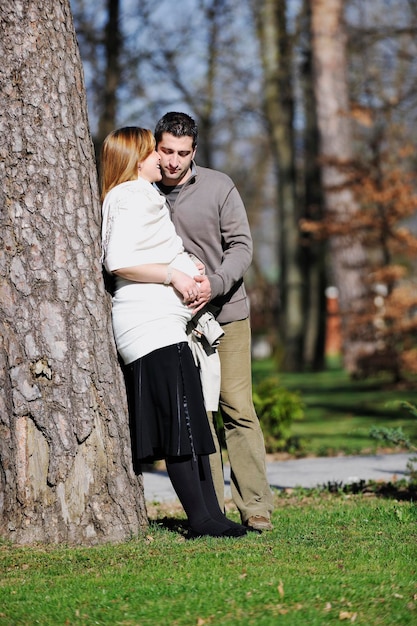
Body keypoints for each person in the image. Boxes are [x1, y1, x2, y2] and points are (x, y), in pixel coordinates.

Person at [100, 126, 250, 538]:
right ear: (136, 159)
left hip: (167, 324)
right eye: (153, 153)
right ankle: (200, 519)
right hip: (149, 327)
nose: (162, 161)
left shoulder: (142, 195)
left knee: (192, 420)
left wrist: (188, 265)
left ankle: (213, 515)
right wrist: (173, 274)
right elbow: (118, 261)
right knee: (180, 424)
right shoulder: (126, 195)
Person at [154, 112, 274, 531]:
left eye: (182, 154)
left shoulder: (220, 186)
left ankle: (256, 506)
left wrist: (217, 284)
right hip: (174, 323)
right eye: (166, 151)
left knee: (237, 408)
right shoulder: (143, 192)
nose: (173, 162)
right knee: (198, 416)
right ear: (156, 147)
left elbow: (241, 245)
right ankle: (212, 510)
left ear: (195, 152)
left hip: (227, 314)